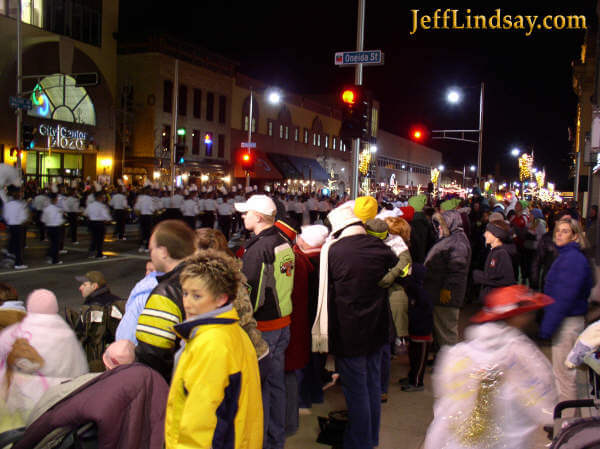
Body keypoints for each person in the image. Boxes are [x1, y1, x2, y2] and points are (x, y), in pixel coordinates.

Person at [424, 285, 557, 449]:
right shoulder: (518, 353)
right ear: (516, 316)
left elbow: (445, 403)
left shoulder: (458, 354)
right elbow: (542, 399)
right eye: (529, 313)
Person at [312, 204, 398, 449]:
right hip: (377, 328)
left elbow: (325, 294)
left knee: (357, 392)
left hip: (348, 332)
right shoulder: (380, 247)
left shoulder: (335, 251)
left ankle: (358, 442)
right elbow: (399, 273)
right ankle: (370, 438)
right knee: (371, 388)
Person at [164, 249, 263, 449]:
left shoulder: (211, 344)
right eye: (185, 293)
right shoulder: (233, 332)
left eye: (197, 296)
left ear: (221, 298)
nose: (187, 303)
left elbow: (202, 422)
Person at [235, 194, 295, 449]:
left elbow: (251, 297)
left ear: (258, 217)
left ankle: (265, 442)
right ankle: (276, 439)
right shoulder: (282, 241)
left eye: (246, 213)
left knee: (261, 391)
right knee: (276, 384)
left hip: (264, 329)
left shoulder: (258, 248)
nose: (242, 216)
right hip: (282, 323)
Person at [0, 289, 88, 425]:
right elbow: (80, 370)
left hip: (19, 405)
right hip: (60, 403)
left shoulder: (12, 333)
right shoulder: (67, 335)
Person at [540, 218, 594, 410]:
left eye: (565, 231)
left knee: (565, 376)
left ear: (575, 236)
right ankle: (569, 422)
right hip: (569, 320)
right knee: (568, 376)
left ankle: (567, 426)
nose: (559, 234)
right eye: (557, 231)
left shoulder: (572, 259)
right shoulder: (568, 257)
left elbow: (564, 296)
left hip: (567, 322)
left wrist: (547, 326)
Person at [134, 220, 197, 380]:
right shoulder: (206, 278)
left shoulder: (166, 292)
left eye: (151, 249)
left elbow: (152, 354)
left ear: (163, 251)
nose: (151, 255)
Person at [425, 210, 471, 348]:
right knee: (443, 331)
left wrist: (447, 289)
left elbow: (457, 270)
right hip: (439, 293)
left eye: (440, 225)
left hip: (446, 296)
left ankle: (450, 364)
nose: (438, 228)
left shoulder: (457, 242)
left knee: (447, 334)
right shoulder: (453, 239)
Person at [115, 261, 162, 344]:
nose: (147, 273)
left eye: (151, 271)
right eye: (147, 270)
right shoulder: (142, 288)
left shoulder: (146, 291)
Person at [472, 220, 516, 302]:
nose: (485, 235)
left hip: (497, 302)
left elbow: (507, 280)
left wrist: (478, 276)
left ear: (496, 235)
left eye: (488, 232)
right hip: (492, 301)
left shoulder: (501, 254)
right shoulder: (495, 251)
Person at [3, 185, 29, 270]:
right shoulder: (20, 204)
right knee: (18, 246)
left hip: (11, 226)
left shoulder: (8, 204)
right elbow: (24, 217)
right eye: (20, 192)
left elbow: (5, 216)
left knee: (13, 243)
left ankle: (10, 257)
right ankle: (18, 263)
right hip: (18, 226)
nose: (21, 194)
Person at [83, 191, 111, 259]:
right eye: (102, 197)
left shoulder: (90, 205)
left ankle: (91, 253)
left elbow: (85, 213)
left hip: (92, 223)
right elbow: (106, 216)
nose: (103, 198)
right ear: (99, 197)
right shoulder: (101, 206)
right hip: (100, 223)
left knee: (94, 238)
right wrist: (108, 219)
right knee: (100, 240)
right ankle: (99, 254)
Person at [41, 193, 65, 265]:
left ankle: (49, 256)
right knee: (56, 245)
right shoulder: (57, 209)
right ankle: (55, 259)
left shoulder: (46, 209)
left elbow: (43, 219)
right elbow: (59, 220)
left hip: (48, 228)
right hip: (56, 228)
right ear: (55, 200)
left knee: (52, 243)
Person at [134, 187, 155, 252]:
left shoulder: (140, 198)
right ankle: (147, 247)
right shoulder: (150, 199)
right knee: (148, 231)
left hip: (142, 216)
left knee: (142, 231)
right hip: (148, 216)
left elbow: (137, 207)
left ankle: (141, 246)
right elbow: (152, 208)